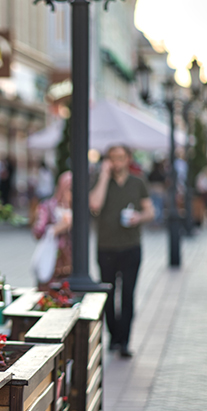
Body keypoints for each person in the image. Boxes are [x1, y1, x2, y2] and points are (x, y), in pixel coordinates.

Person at [88, 145, 154, 358]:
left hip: (131, 246)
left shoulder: (138, 181)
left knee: (127, 295)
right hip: (106, 247)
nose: (116, 162)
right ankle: (114, 336)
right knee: (107, 294)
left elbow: (150, 211)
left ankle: (124, 341)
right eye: (112, 158)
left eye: (120, 157)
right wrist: (104, 176)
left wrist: (139, 218)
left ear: (128, 159)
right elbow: (94, 205)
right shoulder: (100, 180)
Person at [32, 171, 73, 288]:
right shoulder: (48, 206)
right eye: (69, 189)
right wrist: (55, 229)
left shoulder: (78, 208)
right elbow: (37, 232)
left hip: (71, 264)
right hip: (52, 262)